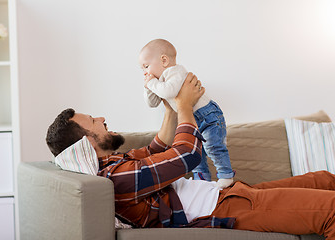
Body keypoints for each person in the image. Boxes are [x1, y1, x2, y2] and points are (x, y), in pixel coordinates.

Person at [47, 73, 335, 238]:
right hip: (225, 208)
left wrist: (171, 107)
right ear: (87, 141)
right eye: (93, 121)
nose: (102, 118)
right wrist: (186, 105)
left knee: (324, 179)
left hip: (227, 194)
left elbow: (156, 149)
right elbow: (186, 155)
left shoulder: (114, 163)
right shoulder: (115, 179)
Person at [139, 38, 234, 187]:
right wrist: (147, 87)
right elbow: (152, 103)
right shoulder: (160, 82)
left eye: (146, 66)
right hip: (192, 119)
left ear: (164, 60)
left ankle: (226, 176)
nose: (145, 72)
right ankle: (201, 180)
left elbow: (169, 91)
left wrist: (152, 83)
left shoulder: (175, 71)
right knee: (195, 153)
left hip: (208, 116)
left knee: (213, 147)